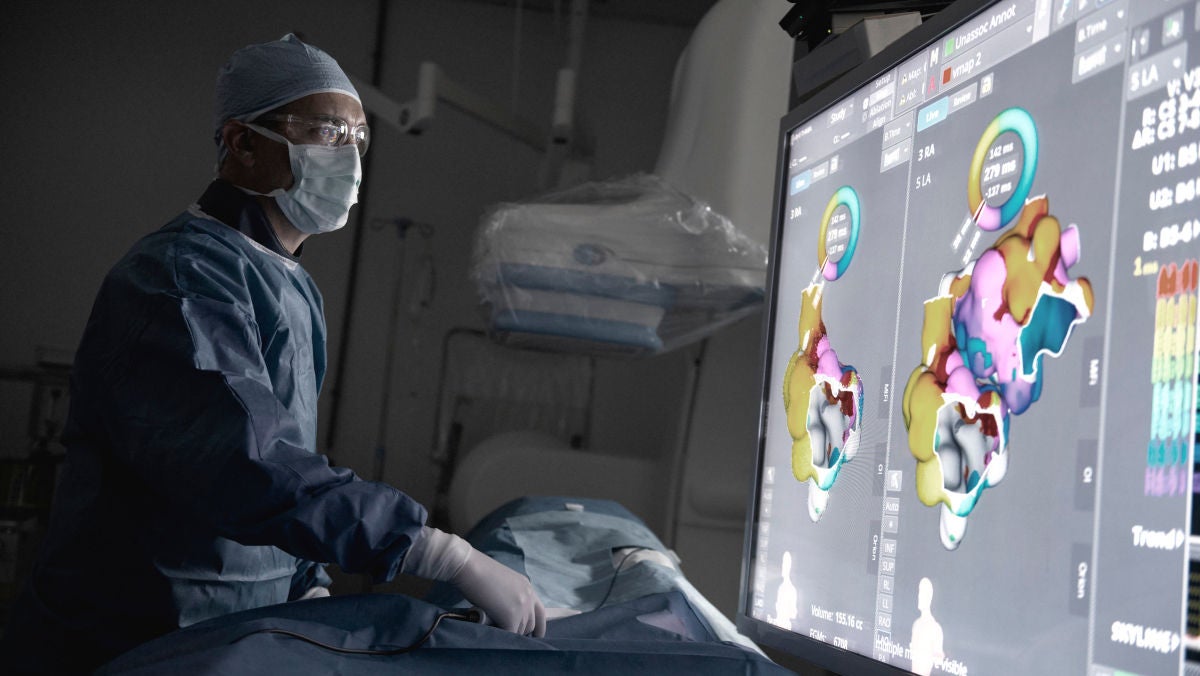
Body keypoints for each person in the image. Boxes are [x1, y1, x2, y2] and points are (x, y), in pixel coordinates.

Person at [0, 34, 544, 674]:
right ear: (242, 142)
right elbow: (247, 461)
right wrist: (441, 554)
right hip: (130, 634)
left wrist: (304, 584)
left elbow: (292, 458)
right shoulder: (179, 279)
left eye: (359, 138)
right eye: (328, 132)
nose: (350, 156)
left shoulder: (290, 285)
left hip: (231, 631)